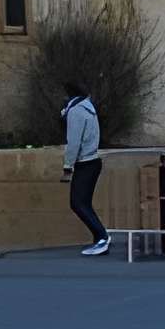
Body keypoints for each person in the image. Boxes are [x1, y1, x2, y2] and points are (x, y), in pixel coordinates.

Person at [61, 81, 108, 255]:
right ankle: (99, 239)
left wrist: (67, 165)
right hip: (92, 161)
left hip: (85, 162)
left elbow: (74, 141)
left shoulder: (76, 111)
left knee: (77, 203)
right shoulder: (87, 108)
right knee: (84, 203)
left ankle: (102, 237)